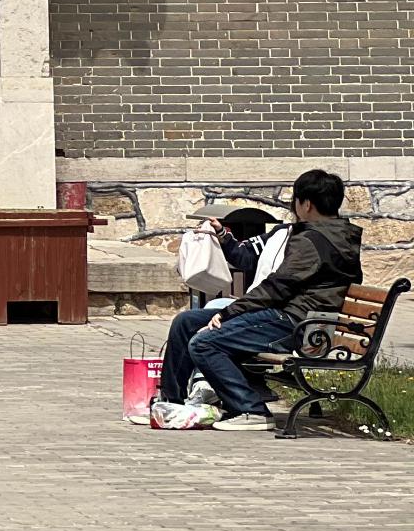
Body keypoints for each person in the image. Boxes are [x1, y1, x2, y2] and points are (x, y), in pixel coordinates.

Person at [155, 169, 363, 432]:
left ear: (306, 204)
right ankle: (171, 404)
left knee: (204, 343)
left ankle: (250, 409)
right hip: (288, 316)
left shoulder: (313, 240)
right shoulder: (325, 234)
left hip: (293, 323)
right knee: (186, 322)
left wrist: (230, 312)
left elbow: (277, 287)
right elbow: (261, 271)